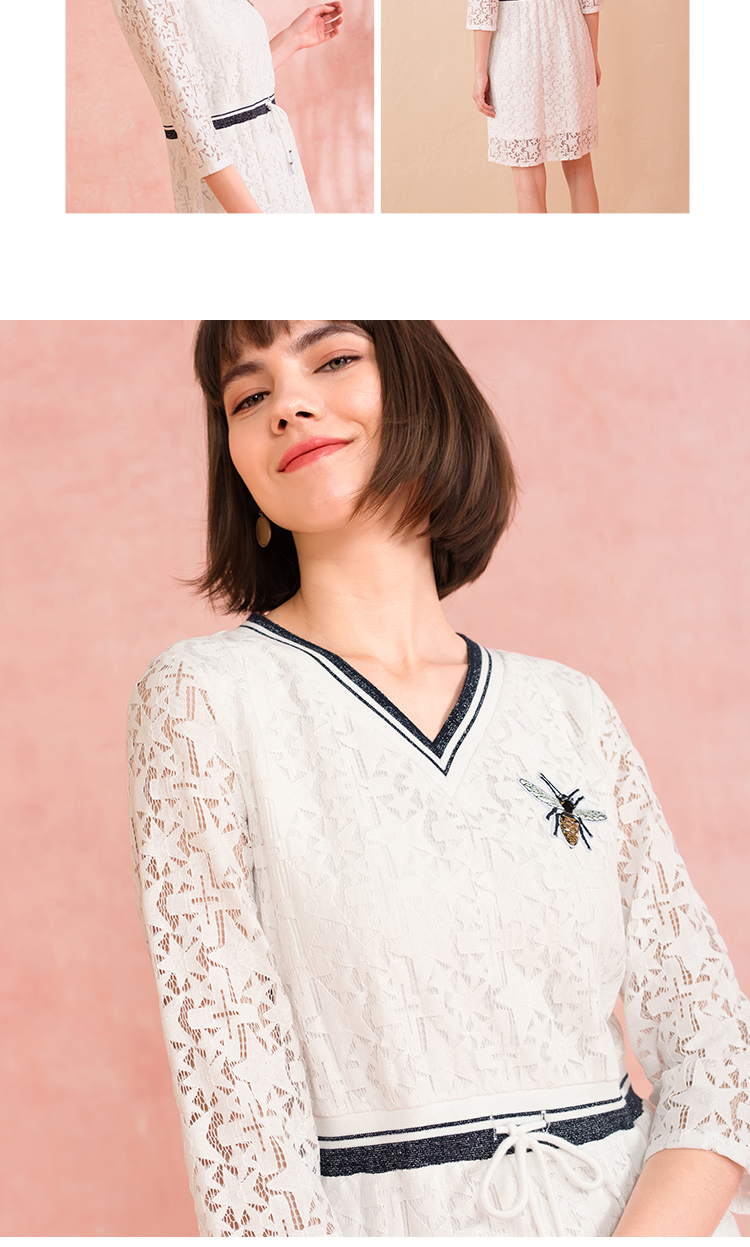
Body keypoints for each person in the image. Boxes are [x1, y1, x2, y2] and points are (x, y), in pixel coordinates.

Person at [127, 320, 750, 1236]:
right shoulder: (203, 700)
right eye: (248, 396)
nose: (288, 404)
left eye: (334, 359)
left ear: (421, 387)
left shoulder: (569, 707)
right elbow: (246, 1140)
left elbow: (714, 1042)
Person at [110, 0, 343, 213]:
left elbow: (225, 88)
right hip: (235, 194)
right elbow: (197, 133)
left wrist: (293, 38)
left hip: (281, 177)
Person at [468, 0, 601, 213]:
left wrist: (479, 72)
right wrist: (592, 54)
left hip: (516, 42)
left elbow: (483, 5)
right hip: (570, 39)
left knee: (528, 182)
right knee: (580, 170)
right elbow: (590, 3)